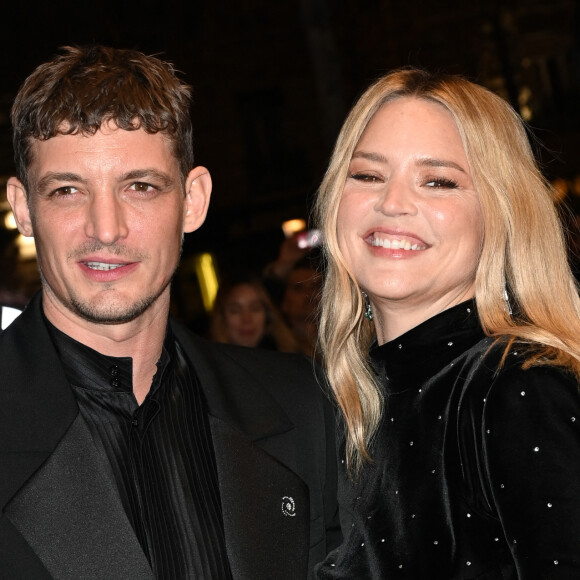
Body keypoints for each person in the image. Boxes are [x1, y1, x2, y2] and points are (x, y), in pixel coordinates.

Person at [0, 45, 340, 580]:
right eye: (67, 190)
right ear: (23, 208)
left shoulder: (304, 406)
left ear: (193, 200)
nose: (106, 229)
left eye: (140, 187)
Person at [313, 68, 580, 579]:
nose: (392, 203)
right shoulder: (365, 397)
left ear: (501, 214)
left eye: (438, 181)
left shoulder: (518, 385)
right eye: (367, 175)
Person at [209, 275, 298, 351]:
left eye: (255, 308)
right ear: (221, 317)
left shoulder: (293, 359)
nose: (246, 319)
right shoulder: (205, 366)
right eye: (235, 310)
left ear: (268, 315)